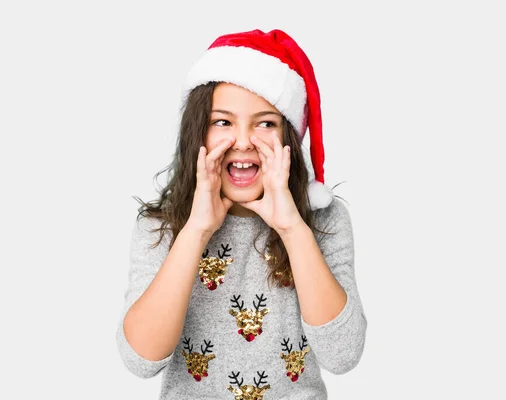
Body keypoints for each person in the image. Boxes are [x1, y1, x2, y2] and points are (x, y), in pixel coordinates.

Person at [115, 28, 367, 399]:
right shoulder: (161, 227)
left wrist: (292, 229)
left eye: (265, 123)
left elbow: (343, 355)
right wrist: (197, 231)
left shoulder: (324, 222)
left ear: (288, 139)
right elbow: (141, 360)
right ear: (197, 133)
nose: (245, 140)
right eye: (223, 122)